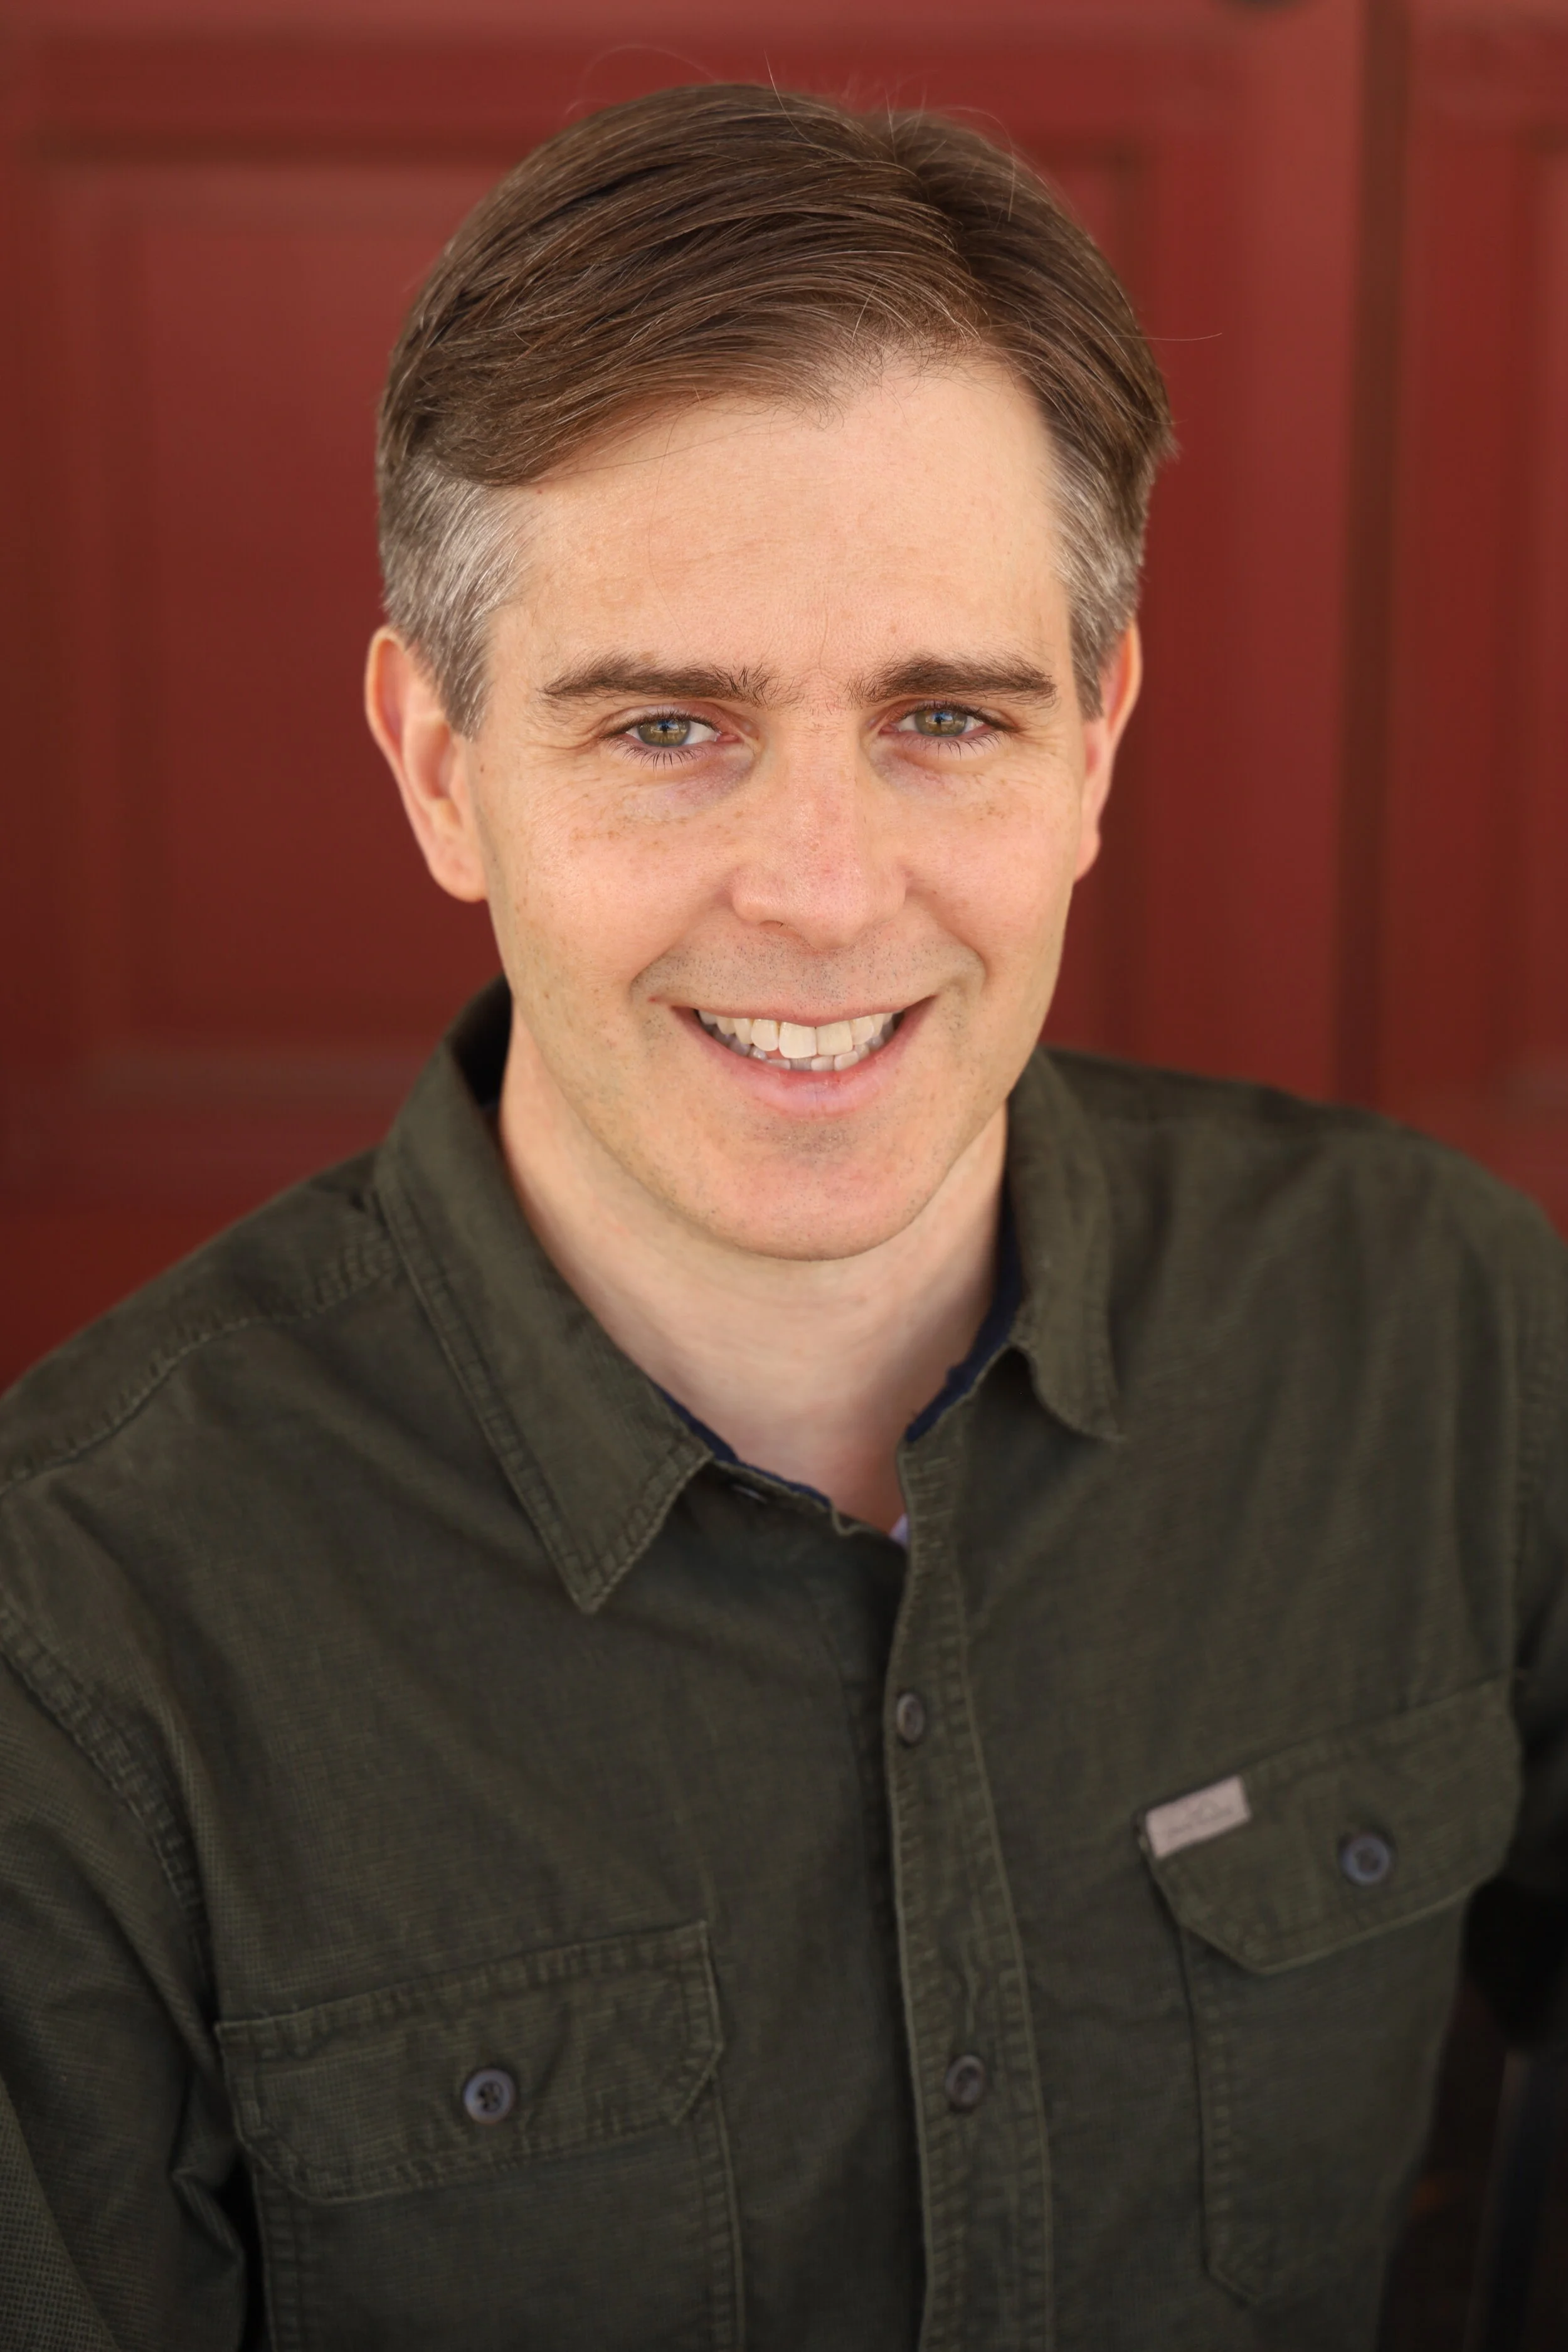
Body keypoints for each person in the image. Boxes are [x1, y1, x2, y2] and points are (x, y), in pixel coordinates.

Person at [0, 82, 1562, 2352]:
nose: (824, 893)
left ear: (1100, 740)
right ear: (440, 767)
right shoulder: (82, 1626)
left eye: (943, 715)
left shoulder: (1438, 1332)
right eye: (666, 729)